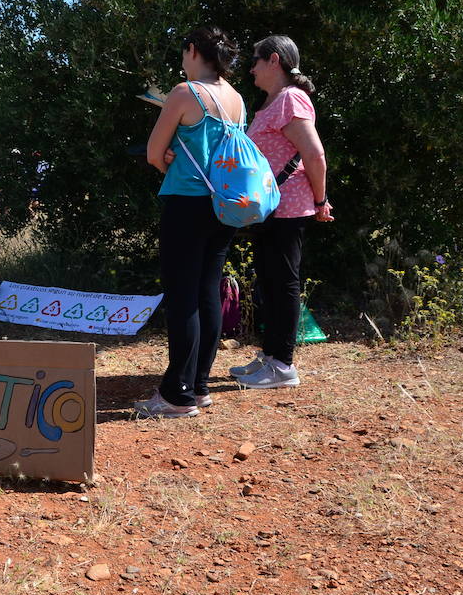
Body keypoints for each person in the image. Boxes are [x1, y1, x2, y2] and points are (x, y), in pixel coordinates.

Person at [140, 26, 245, 418]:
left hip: (186, 202)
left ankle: (176, 396)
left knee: (182, 296)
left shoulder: (185, 93)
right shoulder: (236, 98)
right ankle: (198, 386)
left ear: (192, 50)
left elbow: (154, 152)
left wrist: (166, 161)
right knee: (206, 292)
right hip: (223, 204)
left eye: (183, 53)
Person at [231, 35, 334, 389]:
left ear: (274, 60)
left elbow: (315, 154)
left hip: (288, 207)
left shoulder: (291, 99)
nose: (251, 68)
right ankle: (270, 356)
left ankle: (283, 366)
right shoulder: (273, 102)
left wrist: (321, 202)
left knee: (283, 283)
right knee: (270, 282)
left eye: (256, 60)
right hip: (270, 209)